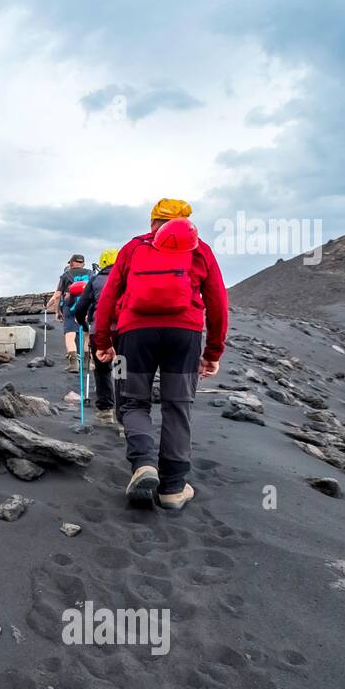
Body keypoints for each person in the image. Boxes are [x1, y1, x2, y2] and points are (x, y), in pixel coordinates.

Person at [94, 199, 228, 511]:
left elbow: (109, 297)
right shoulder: (200, 250)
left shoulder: (133, 248)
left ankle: (143, 465)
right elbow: (218, 301)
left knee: (133, 402)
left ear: (153, 221)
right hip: (184, 334)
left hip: (134, 334)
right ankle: (173, 487)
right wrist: (213, 352)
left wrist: (103, 341)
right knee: (178, 405)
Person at [72, 247, 119, 425]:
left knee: (102, 369)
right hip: (125, 331)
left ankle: (106, 411)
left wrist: (84, 324)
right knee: (123, 370)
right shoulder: (130, 278)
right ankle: (125, 412)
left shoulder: (95, 280)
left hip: (100, 331)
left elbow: (80, 308)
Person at [47, 254, 92, 372]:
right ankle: (88, 363)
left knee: (70, 336)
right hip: (87, 307)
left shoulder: (66, 275)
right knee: (87, 335)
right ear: (83, 263)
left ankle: (74, 365)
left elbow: (57, 296)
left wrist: (57, 311)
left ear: (71, 263)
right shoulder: (91, 273)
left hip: (71, 308)